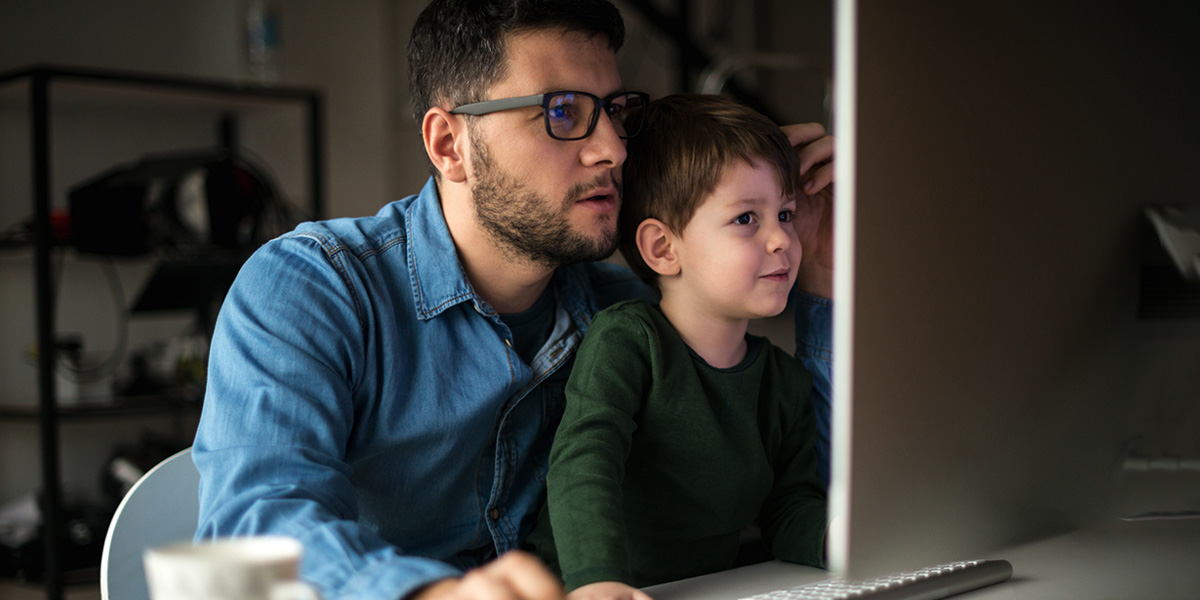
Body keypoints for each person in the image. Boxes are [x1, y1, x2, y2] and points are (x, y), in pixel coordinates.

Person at [192, 1, 835, 599]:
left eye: (616, 111)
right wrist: (429, 593)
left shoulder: (632, 312)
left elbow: (813, 490)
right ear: (450, 145)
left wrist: (824, 273)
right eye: (563, 111)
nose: (612, 149)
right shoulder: (316, 288)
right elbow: (253, 529)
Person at [525, 94, 827, 600]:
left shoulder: (783, 382)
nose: (782, 240)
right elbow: (585, 461)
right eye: (747, 219)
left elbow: (790, 508)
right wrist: (599, 582)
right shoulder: (628, 341)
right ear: (663, 248)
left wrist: (849, 539)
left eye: (787, 213)